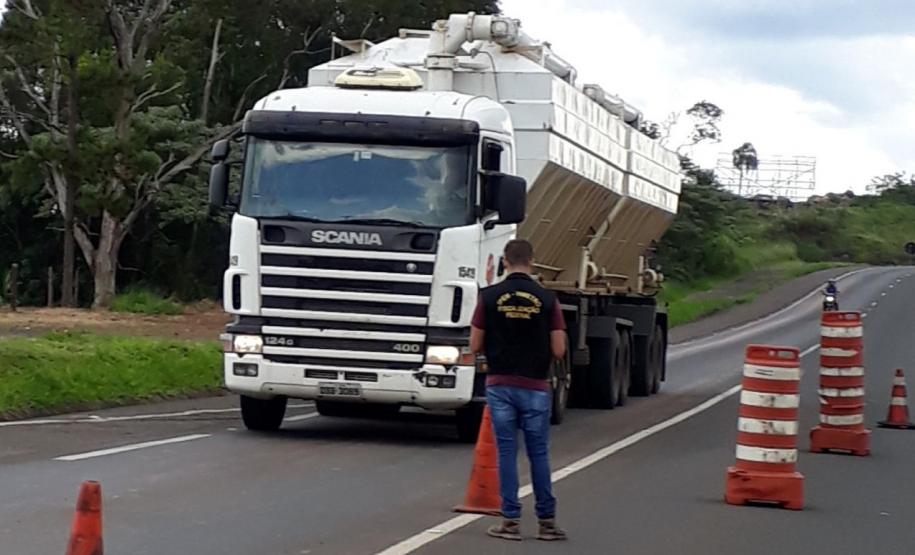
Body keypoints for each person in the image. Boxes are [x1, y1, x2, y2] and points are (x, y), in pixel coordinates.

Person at [470, 239, 568, 542]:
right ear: (533, 262)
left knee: (506, 453)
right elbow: (560, 348)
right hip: (535, 386)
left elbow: (474, 344)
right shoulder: (548, 299)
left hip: (500, 384)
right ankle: (547, 523)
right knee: (539, 454)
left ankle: (510, 522)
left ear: (505, 261)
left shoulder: (488, 297)